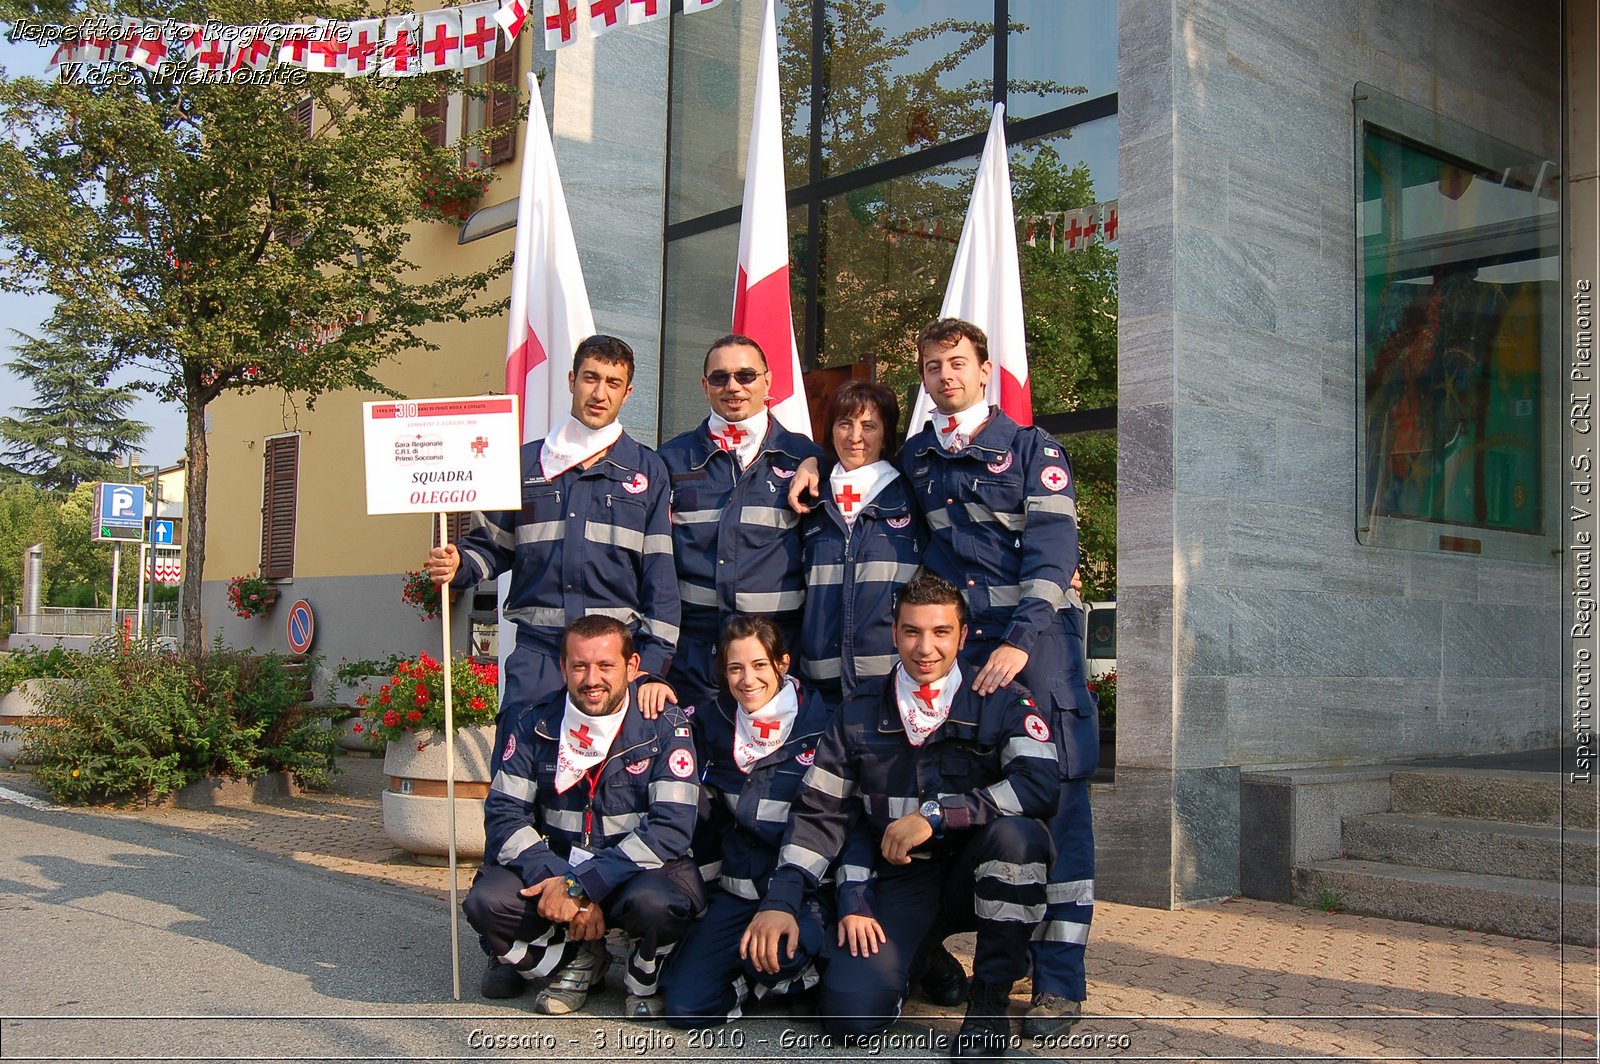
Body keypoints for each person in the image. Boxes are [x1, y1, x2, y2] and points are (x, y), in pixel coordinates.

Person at [787, 318, 1097, 1037]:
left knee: (1058, 812)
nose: (946, 376)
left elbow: (1053, 557)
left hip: (1033, 649)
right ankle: (935, 949)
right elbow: (858, 464)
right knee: (944, 797)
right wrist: (809, 464)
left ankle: (1057, 984)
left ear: (985, 371)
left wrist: (1020, 641)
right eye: (932, 367)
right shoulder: (920, 458)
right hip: (951, 655)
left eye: (958, 363)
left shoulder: (1031, 450)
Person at [745, 573, 1061, 1057]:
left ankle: (990, 1000)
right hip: (900, 878)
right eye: (912, 632)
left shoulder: (999, 699)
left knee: (1018, 839)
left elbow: (1039, 784)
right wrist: (782, 899)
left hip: (974, 870)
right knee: (851, 1017)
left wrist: (936, 816)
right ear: (894, 633)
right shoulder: (858, 710)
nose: (925, 647)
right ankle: (927, 958)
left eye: (940, 632)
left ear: (962, 634)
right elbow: (819, 812)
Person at [424, 333, 679, 730]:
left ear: (627, 393)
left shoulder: (648, 471)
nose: (599, 393)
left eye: (613, 383)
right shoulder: (525, 463)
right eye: (590, 378)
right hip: (539, 656)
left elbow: (661, 579)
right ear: (571, 380)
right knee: (519, 774)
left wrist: (651, 663)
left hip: (611, 662)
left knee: (607, 784)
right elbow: (490, 547)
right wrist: (459, 564)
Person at [460, 616, 705, 1019]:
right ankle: (576, 959)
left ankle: (642, 977)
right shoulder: (532, 724)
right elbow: (504, 816)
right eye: (580, 666)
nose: (592, 679)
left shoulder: (665, 726)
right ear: (563, 668)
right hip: (556, 868)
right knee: (486, 901)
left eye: (605, 666)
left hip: (632, 874)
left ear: (632, 666)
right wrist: (556, 879)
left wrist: (583, 885)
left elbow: (671, 828)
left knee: (659, 905)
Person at [660, 615, 834, 1027]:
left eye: (759, 665)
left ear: (783, 663)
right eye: (735, 668)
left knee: (776, 958)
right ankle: (757, 984)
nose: (746, 679)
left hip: (805, 893)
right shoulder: (712, 721)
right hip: (739, 891)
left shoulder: (824, 725)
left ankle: (793, 973)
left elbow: (839, 821)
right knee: (685, 1008)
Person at [655, 334, 823, 713]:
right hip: (694, 658)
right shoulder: (670, 461)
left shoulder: (806, 457)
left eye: (746, 375)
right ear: (704, 386)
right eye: (720, 378)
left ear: (768, 381)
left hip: (777, 654)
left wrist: (816, 462)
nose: (733, 386)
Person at [796, 379, 926, 705]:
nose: (855, 437)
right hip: (819, 690)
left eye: (869, 426)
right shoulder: (809, 500)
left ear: (885, 436)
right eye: (845, 424)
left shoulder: (913, 498)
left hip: (895, 683)